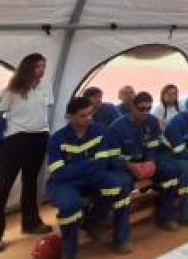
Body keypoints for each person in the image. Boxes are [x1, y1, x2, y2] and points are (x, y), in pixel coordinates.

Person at [46, 97, 134, 258]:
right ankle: (70, 253)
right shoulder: (57, 139)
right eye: (83, 115)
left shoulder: (99, 130)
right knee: (70, 206)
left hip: (92, 177)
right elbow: (59, 173)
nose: (88, 118)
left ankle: (109, 231)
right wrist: (89, 163)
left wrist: (74, 167)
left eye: (90, 114)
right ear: (70, 117)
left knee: (118, 186)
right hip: (65, 183)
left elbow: (101, 164)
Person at [0, 53, 53, 253]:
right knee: (3, 187)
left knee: (31, 183)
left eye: (43, 66)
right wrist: (14, 125)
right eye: (38, 66)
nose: (42, 70)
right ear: (27, 68)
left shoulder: (45, 86)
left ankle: (31, 223)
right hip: (15, 141)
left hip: (39, 138)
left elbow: (42, 110)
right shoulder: (10, 91)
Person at [109, 92, 182, 232]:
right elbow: (112, 158)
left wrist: (151, 161)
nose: (145, 112)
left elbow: (152, 147)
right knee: (123, 185)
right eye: (141, 109)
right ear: (132, 107)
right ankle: (122, 235)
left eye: (148, 109)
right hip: (124, 166)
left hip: (145, 162)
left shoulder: (152, 121)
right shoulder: (116, 127)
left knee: (170, 171)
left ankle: (165, 217)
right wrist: (130, 166)